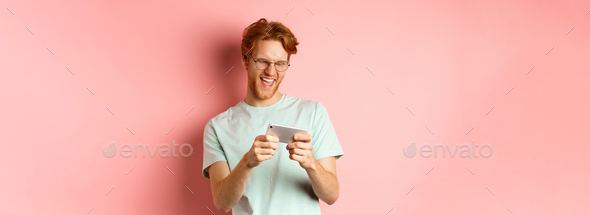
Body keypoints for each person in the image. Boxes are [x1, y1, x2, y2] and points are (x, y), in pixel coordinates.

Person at [202, 18, 344, 215]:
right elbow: (222, 203)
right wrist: (246, 163)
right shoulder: (217, 127)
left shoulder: (313, 113)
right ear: (245, 59)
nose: (271, 71)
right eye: (263, 61)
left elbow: (331, 195)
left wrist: (310, 163)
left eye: (280, 64)